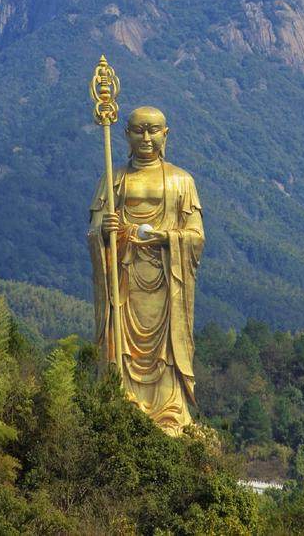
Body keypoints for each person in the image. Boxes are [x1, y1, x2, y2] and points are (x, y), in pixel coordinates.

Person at [87, 106, 204, 435]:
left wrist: (166, 237)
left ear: (165, 134)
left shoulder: (182, 181)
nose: (146, 138)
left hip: (167, 283)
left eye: (153, 130)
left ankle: (169, 410)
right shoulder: (114, 181)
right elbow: (95, 233)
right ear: (126, 134)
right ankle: (124, 400)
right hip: (124, 284)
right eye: (138, 130)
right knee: (121, 348)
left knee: (164, 352)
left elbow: (196, 237)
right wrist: (107, 232)